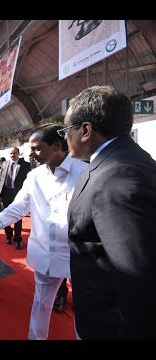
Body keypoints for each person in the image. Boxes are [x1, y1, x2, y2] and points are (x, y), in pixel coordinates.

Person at [0, 125, 88, 340]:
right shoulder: (35, 176)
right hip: (45, 253)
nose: (31, 154)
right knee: (41, 303)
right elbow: (18, 207)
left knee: (86, 311)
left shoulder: (84, 173)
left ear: (57, 146)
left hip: (79, 255)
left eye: (37, 149)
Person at [64, 85, 156, 339]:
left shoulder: (115, 177)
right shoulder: (125, 160)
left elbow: (137, 276)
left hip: (108, 326)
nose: (65, 137)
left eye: (66, 130)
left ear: (85, 130)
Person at [0, 147, 31, 250]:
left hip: (18, 194)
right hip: (6, 194)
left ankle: (18, 239)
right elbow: (1, 180)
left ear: (19, 153)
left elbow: (28, 180)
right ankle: (8, 236)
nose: (13, 155)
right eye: (11, 153)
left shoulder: (25, 165)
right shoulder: (4, 164)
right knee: (6, 215)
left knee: (18, 217)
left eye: (15, 153)